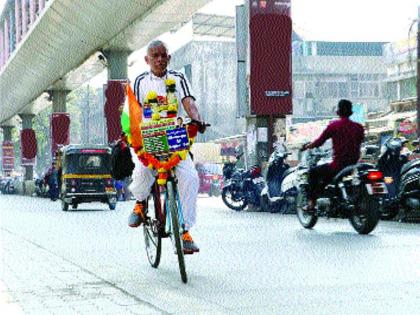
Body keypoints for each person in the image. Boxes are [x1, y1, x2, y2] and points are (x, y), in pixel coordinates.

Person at [127, 40, 205, 254]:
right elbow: (132, 111)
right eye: (155, 56)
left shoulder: (178, 78)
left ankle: (185, 231)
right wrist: (129, 133)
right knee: (142, 171)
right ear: (147, 60)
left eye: (163, 55)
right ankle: (141, 203)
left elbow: (188, 102)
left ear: (169, 58)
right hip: (149, 138)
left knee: (190, 177)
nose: (160, 59)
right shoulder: (139, 81)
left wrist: (197, 119)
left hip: (176, 137)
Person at [301, 99, 364, 211]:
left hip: (338, 165)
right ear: (350, 112)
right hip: (354, 165)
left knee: (313, 172)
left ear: (338, 112)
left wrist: (307, 146)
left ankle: (311, 203)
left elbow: (319, 141)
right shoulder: (359, 127)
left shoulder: (334, 126)